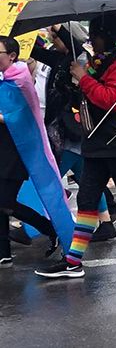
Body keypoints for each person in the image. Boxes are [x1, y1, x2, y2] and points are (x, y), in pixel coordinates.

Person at [36, 15, 116, 279]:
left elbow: (112, 100)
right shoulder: (102, 60)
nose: (92, 40)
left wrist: (83, 78)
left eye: (95, 34)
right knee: (86, 199)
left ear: (107, 35)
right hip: (96, 142)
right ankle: (73, 261)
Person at [0, 37, 61, 267]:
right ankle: (3, 251)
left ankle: (51, 229)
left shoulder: (20, 78)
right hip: (3, 146)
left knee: (5, 201)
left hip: (17, 149)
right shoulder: (5, 78)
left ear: (12, 55)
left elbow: (23, 117)